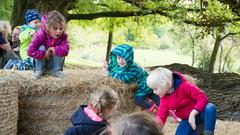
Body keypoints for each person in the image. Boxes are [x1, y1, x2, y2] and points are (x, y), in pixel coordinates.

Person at [146, 67, 217, 135]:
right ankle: (198, 130)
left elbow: (203, 98)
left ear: (167, 85)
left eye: (155, 89)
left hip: (201, 114)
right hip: (187, 120)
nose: (154, 92)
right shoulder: (164, 99)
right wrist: (153, 131)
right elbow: (161, 118)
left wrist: (193, 114)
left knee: (210, 108)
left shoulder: (185, 86)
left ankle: (208, 132)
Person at [104, 44, 160, 114]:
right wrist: (109, 69)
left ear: (129, 58)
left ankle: (155, 110)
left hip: (145, 84)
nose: (121, 61)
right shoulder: (121, 66)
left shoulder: (133, 68)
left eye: (124, 58)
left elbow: (123, 78)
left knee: (139, 100)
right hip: (141, 85)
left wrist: (111, 73)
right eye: (119, 58)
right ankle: (160, 106)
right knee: (155, 98)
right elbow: (115, 70)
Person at [27, 10, 69, 79]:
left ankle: (56, 71)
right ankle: (39, 70)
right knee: (41, 47)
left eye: (61, 29)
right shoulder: (40, 34)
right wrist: (43, 54)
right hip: (41, 62)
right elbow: (30, 51)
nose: (59, 31)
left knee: (59, 48)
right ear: (47, 27)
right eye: (55, 28)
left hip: (53, 64)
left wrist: (53, 49)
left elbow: (66, 50)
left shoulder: (63, 36)